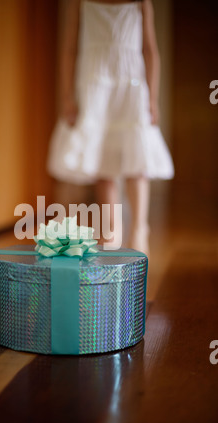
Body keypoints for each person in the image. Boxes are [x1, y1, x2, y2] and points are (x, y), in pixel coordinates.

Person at [47, 0, 174, 255]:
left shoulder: (140, 3)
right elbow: (70, 48)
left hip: (131, 83)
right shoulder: (80, 3)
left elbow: (150, 50)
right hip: (94, 83)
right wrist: (67, 96)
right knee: (101, 161)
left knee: (137, 160)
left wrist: (152, 96)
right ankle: (111, 229)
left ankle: (139, 228)